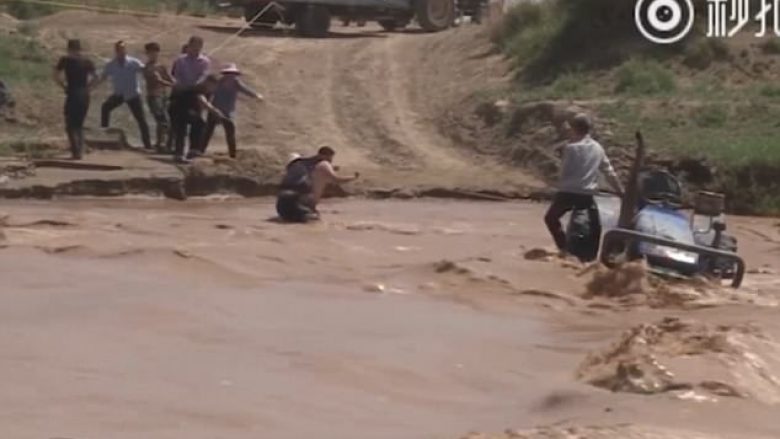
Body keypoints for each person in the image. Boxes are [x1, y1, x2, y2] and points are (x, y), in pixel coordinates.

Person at [544, 113, 623, 258]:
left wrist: (555, 185)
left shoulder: (571, 148)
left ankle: (564, 248)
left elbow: (564, 172)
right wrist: (620, 191)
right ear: (589, 129)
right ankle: (593, 254)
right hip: (587, 194)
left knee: (550, 218)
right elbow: (609, 172)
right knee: (593, 224)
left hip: (568, 192)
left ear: (574, 129)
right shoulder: (598, 148)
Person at [92, 40, 153, 150]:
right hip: (119, 94)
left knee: (141, 119)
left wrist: (151, 68)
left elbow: (144, 70)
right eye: (119, 49)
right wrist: (91, 88)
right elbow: (103, 78)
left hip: (133, 94)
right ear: (116, 51)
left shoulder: (133, 62)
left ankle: (147, 145)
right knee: (105, 107)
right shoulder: (111, 65)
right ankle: (104, 136)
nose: (122, 51)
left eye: (123, 49)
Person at [276, 146, 359, 223]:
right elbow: (336, 179)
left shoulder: (291, 172)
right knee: (313, 220)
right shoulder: (320, 164)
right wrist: (353, 177)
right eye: (330, 157)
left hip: (281, 208)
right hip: (298, 203)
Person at [199, 63, 263, 158]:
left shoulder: (236, 83)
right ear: (225, 74)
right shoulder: (218, 83)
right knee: (208, 132)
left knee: (230, 134)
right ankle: (200, 151)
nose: (231, 76)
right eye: (228, 74)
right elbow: (208, 94)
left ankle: (232, 155)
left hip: (228, 112)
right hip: (215, 111)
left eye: (232, 74)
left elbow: (246, 90)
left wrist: (256, 95)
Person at [54, 39, 97, 160]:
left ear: (69, 49)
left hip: (72, 93)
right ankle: (80, 150)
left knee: (70, 124)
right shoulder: (87, 61)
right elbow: (96, 77)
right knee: (79, 124)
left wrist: (63, 86)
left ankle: (76, 151)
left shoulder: (65, 60)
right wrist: (88, 88)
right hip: (84, 94)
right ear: (80, 49)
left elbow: (55, 76)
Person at [169, 74, 226, 163]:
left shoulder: (208, 92)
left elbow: (201, 107)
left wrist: (211, 113)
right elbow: (202, 100)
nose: (214, 88)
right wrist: (215, 111)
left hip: (189, 109)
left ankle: (193, 150)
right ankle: (179, 154)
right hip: (177, 108)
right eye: (213, 85)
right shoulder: (199, 88)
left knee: (199, 123)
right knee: (181, 130)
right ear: (208, 82)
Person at [143, 42, 175, 152]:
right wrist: (170, 84)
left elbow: (169, 77)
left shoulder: (161, 66)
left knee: (164, 121)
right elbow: (158, 80)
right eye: (150, 52)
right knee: (162, 120)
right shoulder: (147, 67)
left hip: (163, 96)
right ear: (147, 53)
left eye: (155, 52)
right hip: (153, 96)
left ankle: (161, 143)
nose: (153, 55)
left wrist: (174, 83)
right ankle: (161, 144)